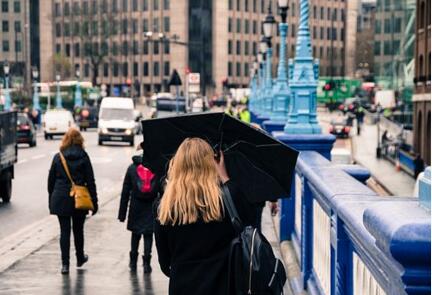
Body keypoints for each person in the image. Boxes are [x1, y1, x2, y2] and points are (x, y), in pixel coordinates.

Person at [154, 138, 257, 295]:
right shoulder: (228, 199)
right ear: (211, 164)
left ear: (177, 165)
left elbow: (165, 263)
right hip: (224, 286)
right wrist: (225, 177)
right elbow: (250, 224)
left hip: (182, 287)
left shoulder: (165, 208)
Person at [48, 128, 98, 275]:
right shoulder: (84, 156)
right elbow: (91, 181)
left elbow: (50, 182)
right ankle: (80, 257)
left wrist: (51, 199)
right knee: (78, 230)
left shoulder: (58, 157)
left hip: (61, 198)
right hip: (79, 198)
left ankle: (65, 264)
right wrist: (94, 202)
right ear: (79, 140)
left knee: (64, 231)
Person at [118, 148, 161, 273]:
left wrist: (122, 214)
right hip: (151, 207)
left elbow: (125, 192)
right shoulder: (156, 169)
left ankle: (133, 262)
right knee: (148, 235)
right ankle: (147, 264)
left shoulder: (132, 168)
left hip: (136, 207)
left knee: (135, 234)